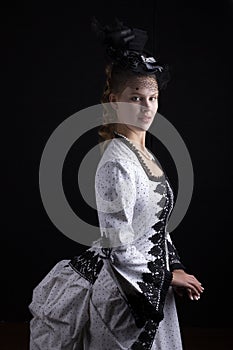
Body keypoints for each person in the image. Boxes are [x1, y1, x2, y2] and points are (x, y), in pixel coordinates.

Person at [28, 18, 204, 350]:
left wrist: (174, 265)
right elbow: (116, 243)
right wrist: (167, 277)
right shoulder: (114, 161)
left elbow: (156, 225)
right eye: (136, 98)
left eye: (152, 98)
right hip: (124, 295)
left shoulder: (145, 155)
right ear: (113, 99)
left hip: (149, 284)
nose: (147, 107)